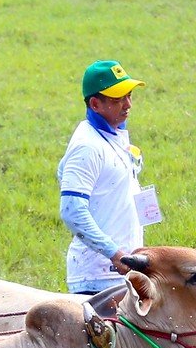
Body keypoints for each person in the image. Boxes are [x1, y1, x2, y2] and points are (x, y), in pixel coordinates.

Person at [57, 60, 155, 297]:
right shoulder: (87, 147)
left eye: (129, 95)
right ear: (95, 104)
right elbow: (72, 210)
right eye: (117, 99)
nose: (128, 104)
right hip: (99, 278)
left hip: (120, 272)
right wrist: (115, 253)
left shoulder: (114, 134)